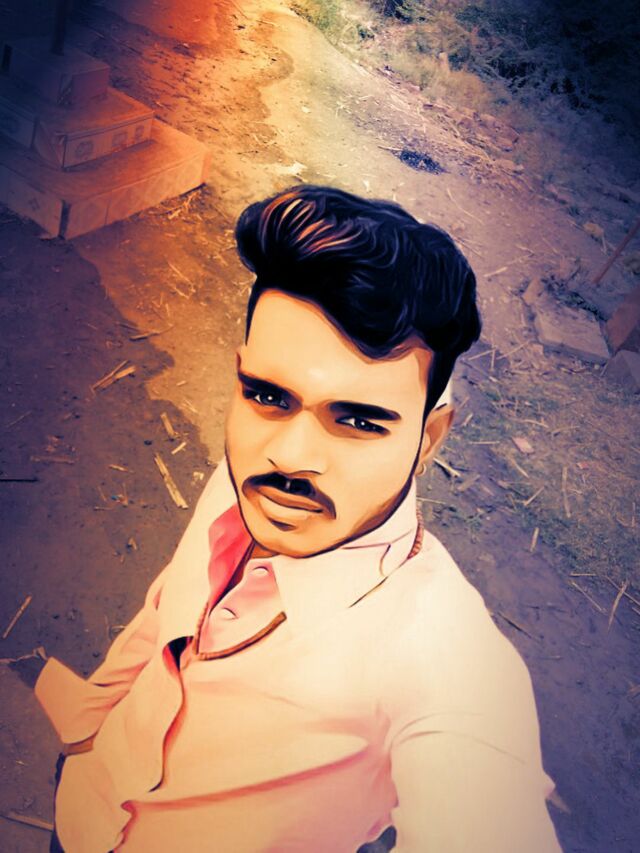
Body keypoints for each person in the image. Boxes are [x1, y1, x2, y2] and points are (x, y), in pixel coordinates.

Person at [34, 185, 561, 852]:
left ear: (429, 439)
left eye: (359, 421)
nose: (289, 455)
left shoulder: (449, 664)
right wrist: (87, 731)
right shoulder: (245, 478)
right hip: (82, 804)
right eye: (267, 395)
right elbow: (165, 608)